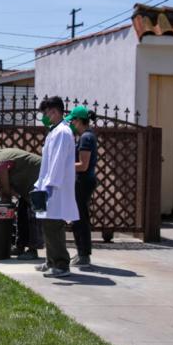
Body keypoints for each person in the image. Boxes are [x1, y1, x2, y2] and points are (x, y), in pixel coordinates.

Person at [33, 96, 79, 278]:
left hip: (56, 187)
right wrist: (40, 184)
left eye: (47, 112)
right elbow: (47, 162)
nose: (46, 116)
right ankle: (51, 261)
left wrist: (50, 185)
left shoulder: (62, 132)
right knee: (48, 225)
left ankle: (61, 264)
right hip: (49, 185)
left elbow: (58, 161)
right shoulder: (55, 131)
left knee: (54, 226)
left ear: (55, 111)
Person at [67, 105, 98, 268]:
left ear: (79, 120)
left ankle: (84, 255)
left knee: (80, 218)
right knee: (78, 217)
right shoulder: (86, 136)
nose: (71, 123)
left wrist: (64, 166)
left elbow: (83, 165)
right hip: (83, 181)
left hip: (83, 181)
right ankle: (81, 252)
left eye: (72, 120)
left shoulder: (86, 137)